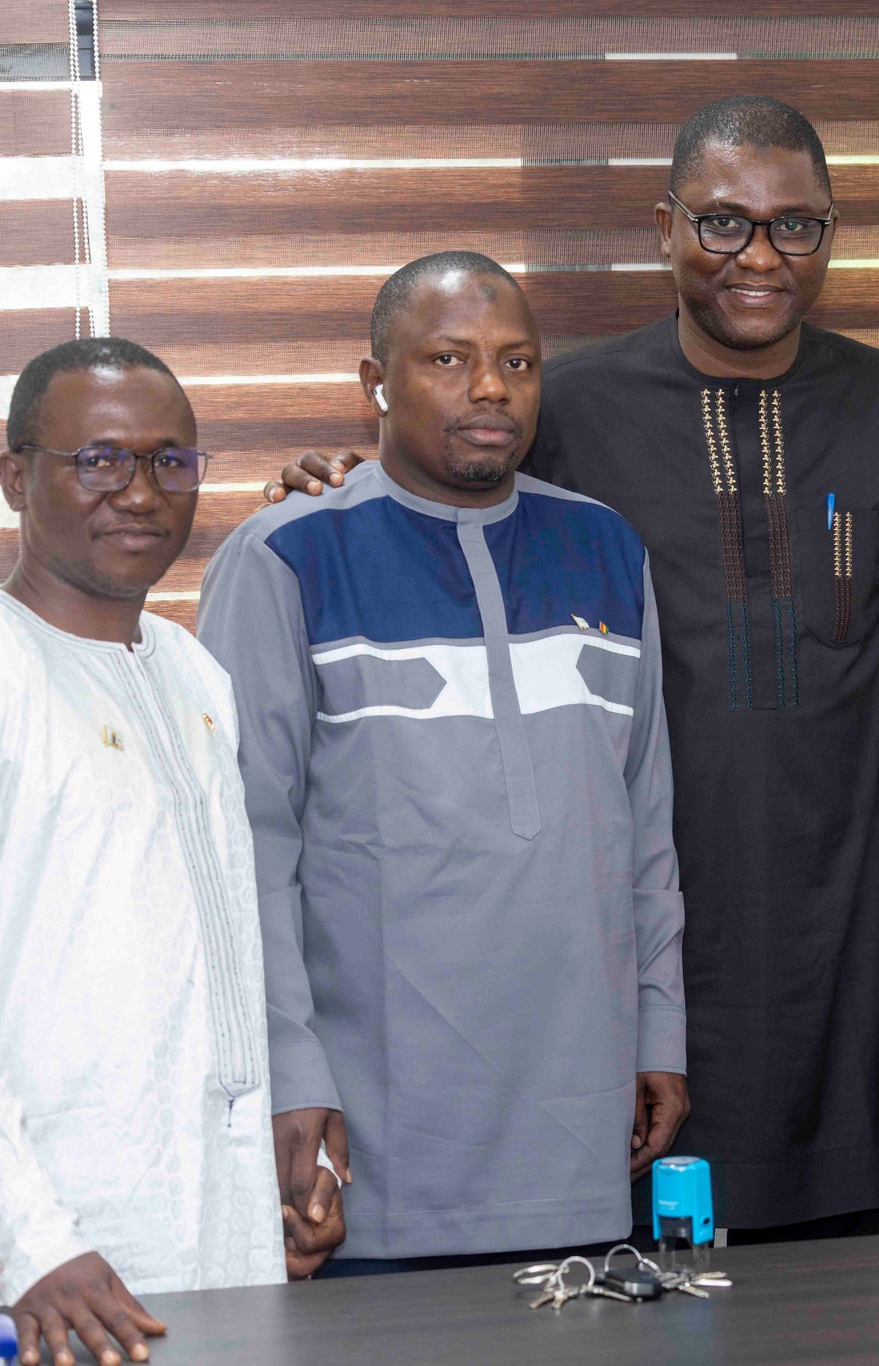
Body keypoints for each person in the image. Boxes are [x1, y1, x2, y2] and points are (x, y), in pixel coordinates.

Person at [272, 97, 879, 1241]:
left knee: (825, 1282)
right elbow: (447, 497)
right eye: (723, 221)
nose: (758, 256)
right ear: (664, 226)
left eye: (794, 225)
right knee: (619, 1273)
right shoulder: (568, 405)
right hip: (620, 940)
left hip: (831, 935)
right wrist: (346, 480)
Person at [199, 252, 686, 1276]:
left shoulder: (606, 549)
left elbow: (646, 827)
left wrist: (660, 1032)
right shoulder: (286, 556)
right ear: (375, 381)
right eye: (448, 358)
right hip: (374, 1133)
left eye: (517, 361)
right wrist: (289, 1070)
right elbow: (247, 855)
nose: (490, 388)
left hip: (580, 1119)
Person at [0, 339, 287, 1366]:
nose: (141, 491)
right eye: (99, 460)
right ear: (15, 477)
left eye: (169, 461)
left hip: (212, 1231)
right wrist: (35, 1243)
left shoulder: (195, 675)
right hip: (27, 1270)